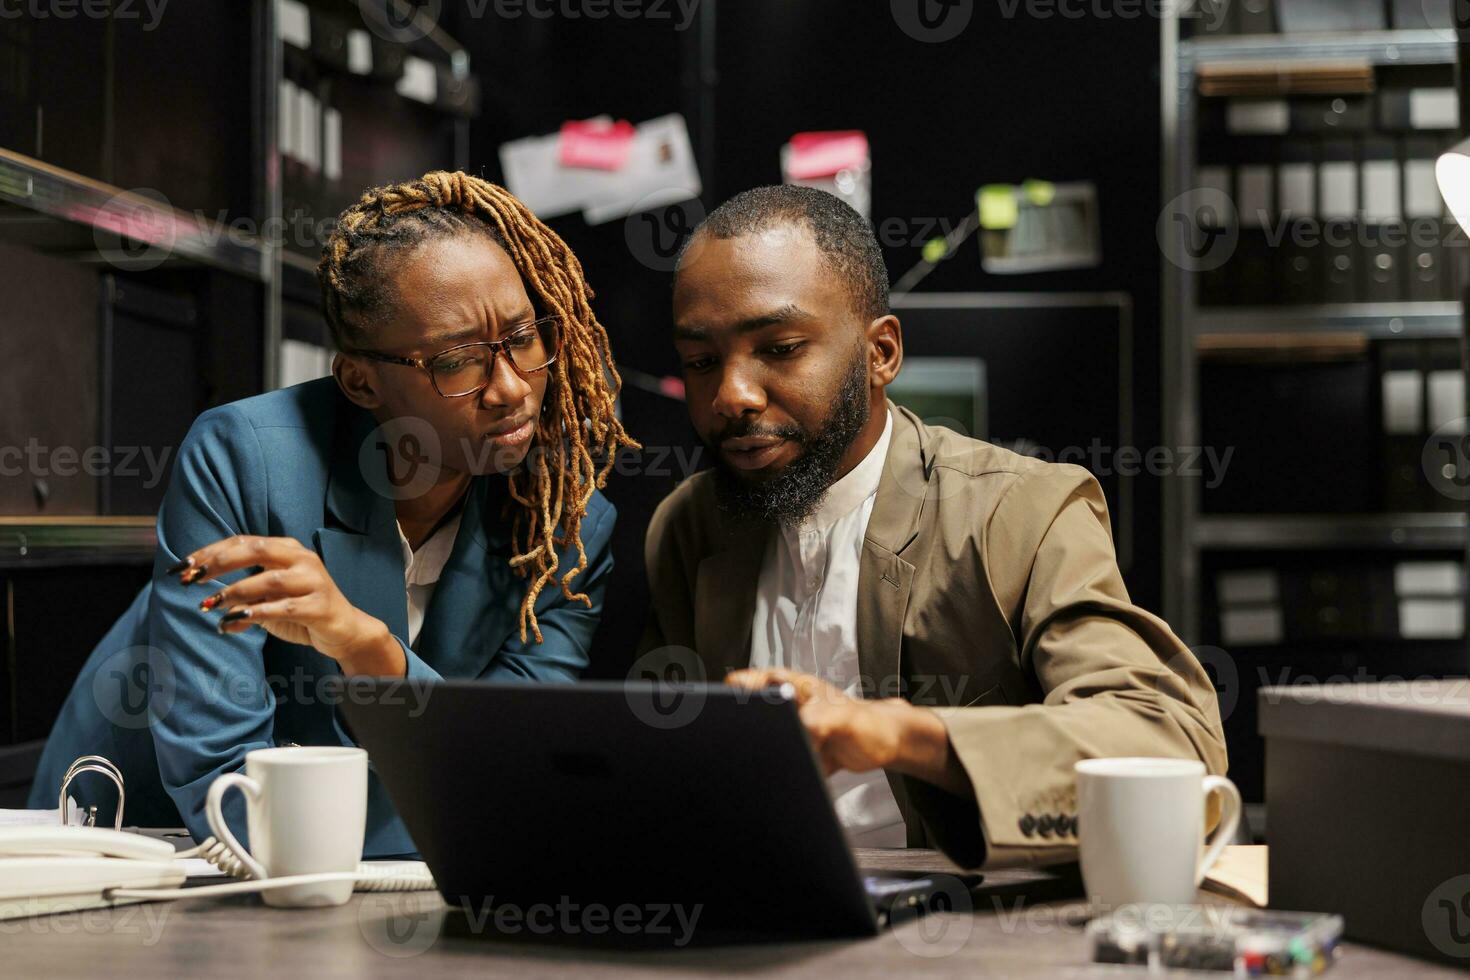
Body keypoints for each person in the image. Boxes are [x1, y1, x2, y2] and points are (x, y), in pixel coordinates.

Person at [31, 171, 636, 856]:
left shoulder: (566, 527)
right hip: (144, 841)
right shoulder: (244, 460)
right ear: (360, 380)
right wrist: (454, 801)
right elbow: (222, 783)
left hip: (364, 870)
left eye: (524, 338)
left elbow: (507, 772)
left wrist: (367, 646)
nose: (508, 388)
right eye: (458, 360)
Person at [641, 184, 1227, 868]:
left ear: (880, 353)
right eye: (702, 363)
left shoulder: (1021, 512)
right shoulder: (688, 527)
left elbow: (1169, 740)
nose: (731, 395)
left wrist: (899, 735)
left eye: (780, 347)